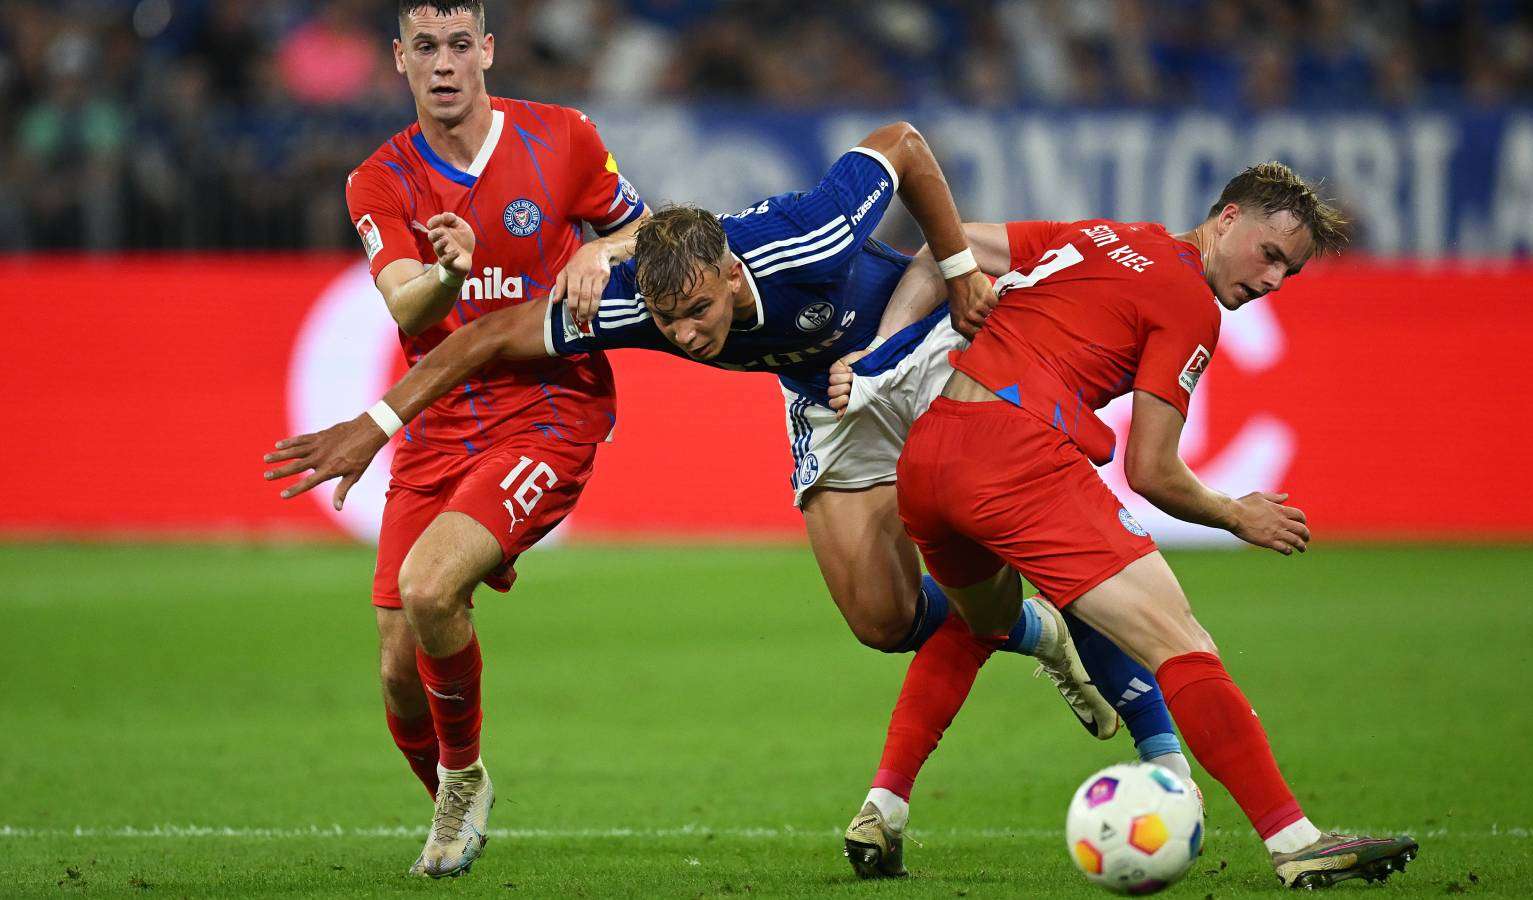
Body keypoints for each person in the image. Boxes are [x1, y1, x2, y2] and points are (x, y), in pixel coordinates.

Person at [265, 120, 1194, 866]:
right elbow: (488, 337)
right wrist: (377, 423)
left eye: (698, 313)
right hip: (826, 404)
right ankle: (1030, 630)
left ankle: (1162, 755)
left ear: (726, 274)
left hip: (925, 354)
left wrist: (955, 268)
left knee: (1042, 535)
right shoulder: (642, 305)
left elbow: (904, 145)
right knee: (880, 618)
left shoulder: (813, 233)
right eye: (670, 323)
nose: (689, 335)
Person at [883, 163, 1420, 888]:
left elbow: (944, 249)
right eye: (1269, 255)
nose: (1270, 282)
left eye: (1287, 275)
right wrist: (1237, 513)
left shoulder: (1105, 236)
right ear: (1226, 219)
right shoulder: (1187, 300)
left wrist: (878, 354)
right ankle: (1294, 840)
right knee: (1182, 640)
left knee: (983, 622)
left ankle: (883, 804)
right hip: (1015, 455)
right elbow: (1152, 470)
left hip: (931, 451)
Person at [266, 1, 649, 878]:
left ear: (487, 51)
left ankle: (464, 779)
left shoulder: (566, 139)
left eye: (459, 46)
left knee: (431, 586)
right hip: (439, 427)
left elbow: (647, 228)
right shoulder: (380, 180)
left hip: (551, 410)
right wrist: (448, 268)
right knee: (399, 671)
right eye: (425, 48)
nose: (444, 65)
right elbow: (407, 305)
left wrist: (603, 251)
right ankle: (455, 789)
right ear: (399, 60)